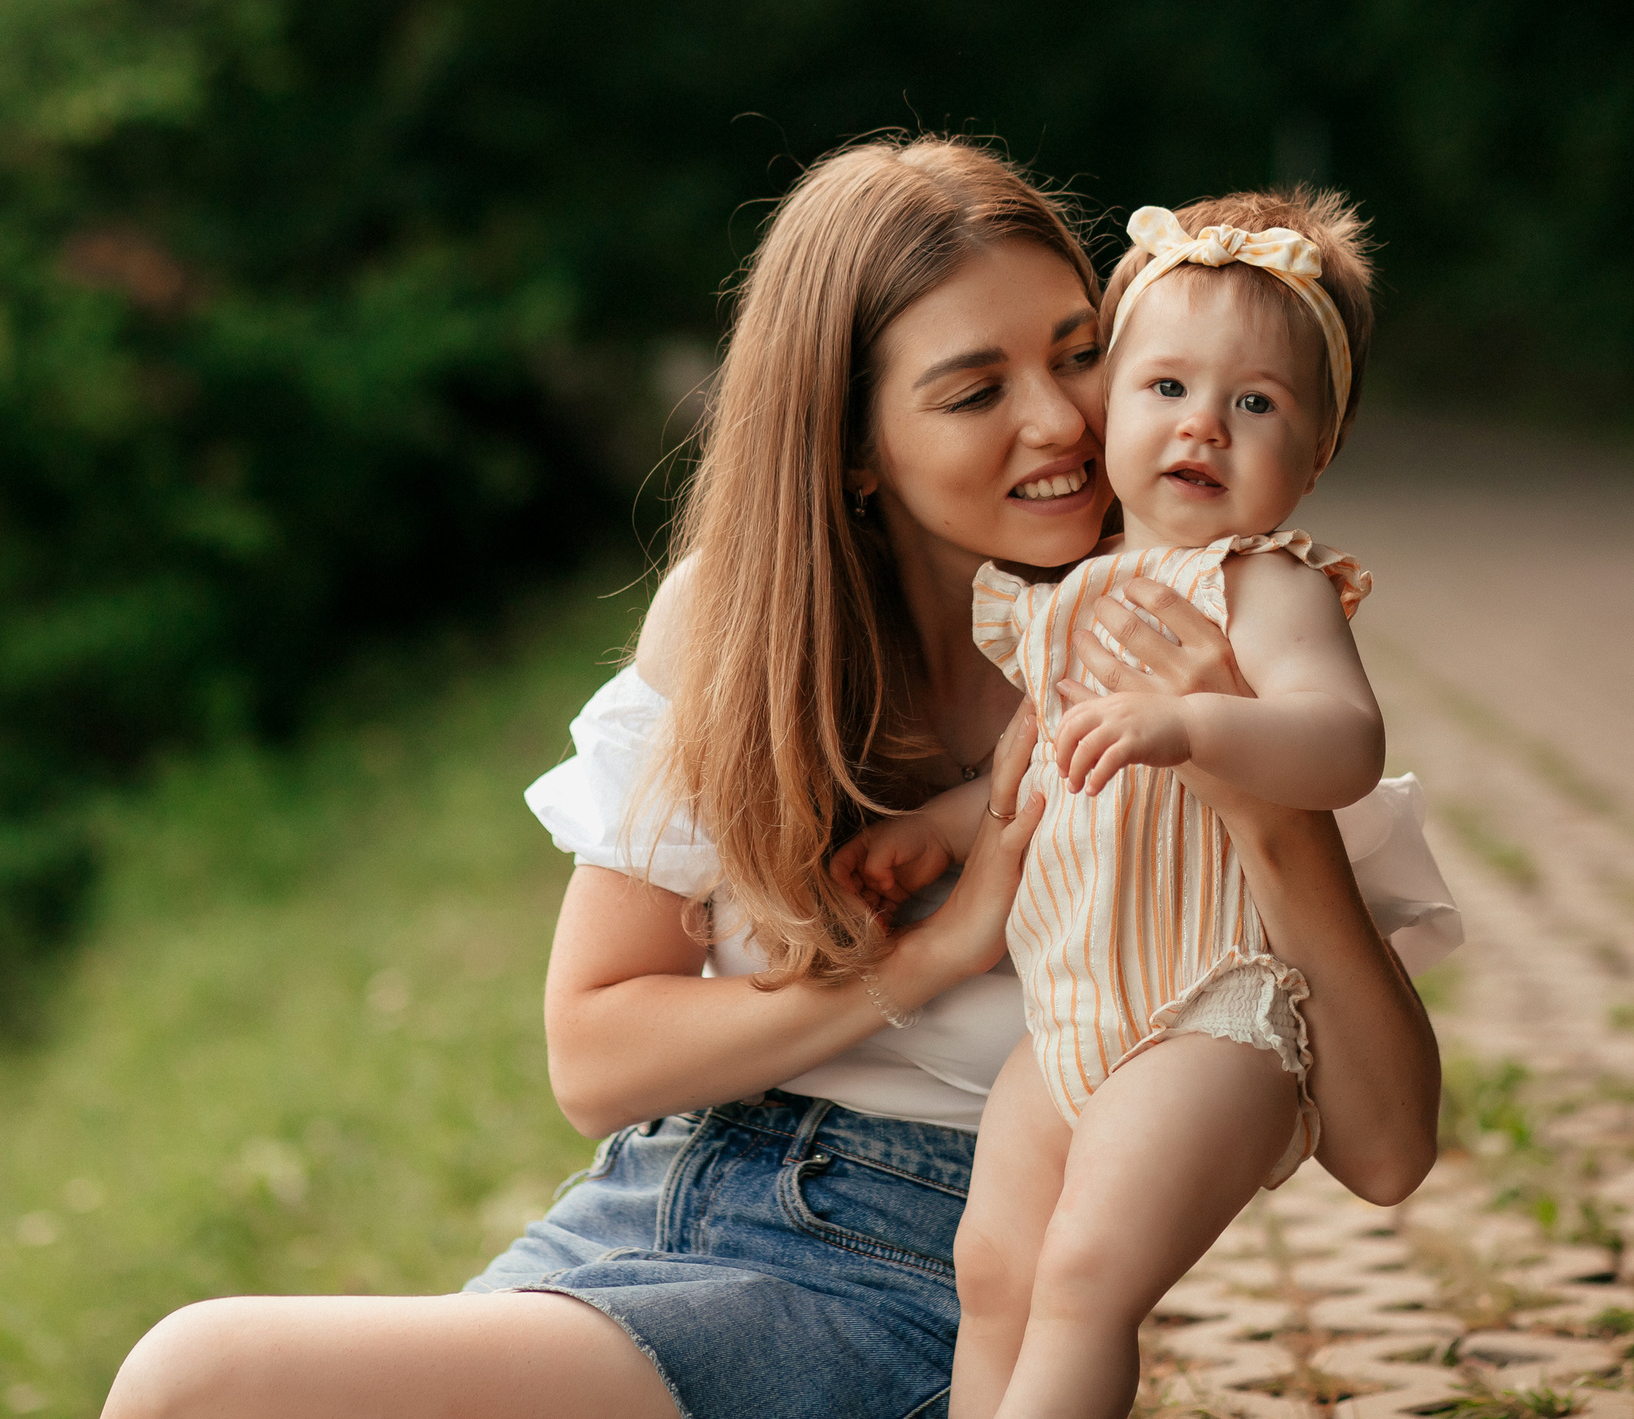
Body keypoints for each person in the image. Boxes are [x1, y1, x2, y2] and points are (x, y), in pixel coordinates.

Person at [99, 140, 1443, 1419]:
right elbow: (596, 1052)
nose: (1060, 421)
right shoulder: (740, 628)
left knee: (198, 1374)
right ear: (854, 443)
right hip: (644, 1213)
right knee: (203, 1381)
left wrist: (1251, 786)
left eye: (1079, 357)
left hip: (898, 1281)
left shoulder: (1184, 643)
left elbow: (1385, 1145)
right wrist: (932, 951)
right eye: (975, 390)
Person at [842, 190, 1459, 1418]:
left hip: (1210, 1007)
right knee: (994, 1270)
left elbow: (1339, 746)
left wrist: (1193, 724)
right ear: (1108, 406)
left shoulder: (1264, 585)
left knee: (1086, 1273)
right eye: (1166, 389)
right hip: (1068, 1013)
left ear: (1316, 455)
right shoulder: (1066, 592)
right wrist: (937, 831)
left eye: (1256, 404)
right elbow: (1033, 769)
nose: (1204, 431)